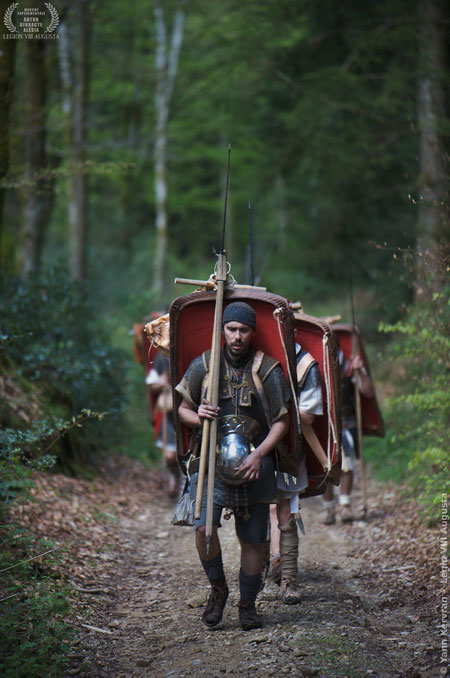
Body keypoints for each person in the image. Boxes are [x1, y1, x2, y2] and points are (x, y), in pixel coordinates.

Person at [176, 302, 291, 631]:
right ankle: (218, 589)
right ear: (222, 330)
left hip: (255, 461)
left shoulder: (268, 369)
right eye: (231, 329)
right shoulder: (204, 365)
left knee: (254, 538)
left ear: (252, 332)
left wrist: (260, 455)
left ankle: (248, 603)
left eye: (243, 330)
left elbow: (281, 422)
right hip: (211, 460)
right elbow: (182, 409)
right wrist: (197, 414)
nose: (237, 336)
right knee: (203, 528)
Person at [268, 342, 323, 604]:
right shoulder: (244, 353)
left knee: (286, 508)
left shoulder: (303, 364)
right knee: (252, 509)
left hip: (287, 449)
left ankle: (288, 579)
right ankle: (253, 579)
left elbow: (308, 415)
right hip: (246, 444)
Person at [322, 348, 374, 524]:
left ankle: (345, 506)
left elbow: (368, 392)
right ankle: (329, 509)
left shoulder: (350, 365)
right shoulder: (316, 363)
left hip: (345, 422)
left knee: (347, 465)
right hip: (323, 425)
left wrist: (360, 372)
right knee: (325, 468)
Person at [146, 352, 180, 498]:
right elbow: (152, 386)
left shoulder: (186, 350)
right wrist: (162, 384)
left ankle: (185, 486)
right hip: (169, 412)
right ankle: (175, 475)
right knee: (170, 455)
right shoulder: (161, 357)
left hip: (190, 409)